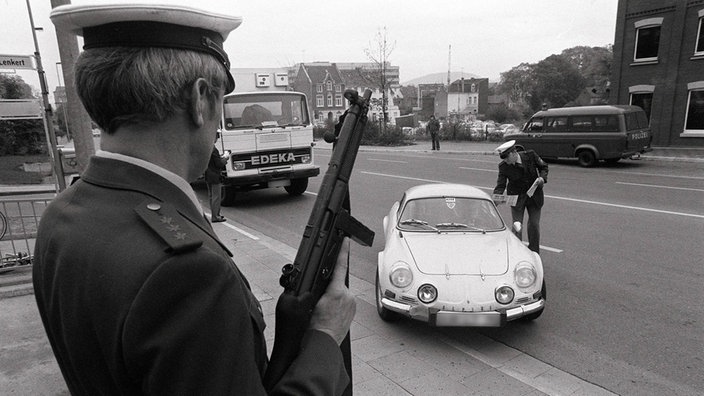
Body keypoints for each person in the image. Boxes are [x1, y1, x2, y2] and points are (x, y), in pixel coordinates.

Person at [33, 4, 355, 395]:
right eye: (220, 100)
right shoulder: (190, 275)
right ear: (200, 100)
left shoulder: (61, 216)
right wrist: (325, 336)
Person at [492, 140, 549, 254]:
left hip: (534, 196)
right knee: (517, 226)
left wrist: (542, 178)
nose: (506, 161)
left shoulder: (530, 155)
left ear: (514, 153)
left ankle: (534, 252)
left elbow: (544, 167)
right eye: (504, 159)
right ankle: (517, 252)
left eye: (507, 158)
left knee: (534, 225)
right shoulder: (503, 166)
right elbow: (501, 185)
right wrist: (496, 198)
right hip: (516, 198)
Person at [206, 142, 228, 222]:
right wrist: (225, 158)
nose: (217, 138)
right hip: (215, 175)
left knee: (212, 197)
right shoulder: (213, 149)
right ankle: (215, 216)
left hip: (208, 174)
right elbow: (219, 164)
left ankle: (215, 214)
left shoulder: (207, 148)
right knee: (216, 197)